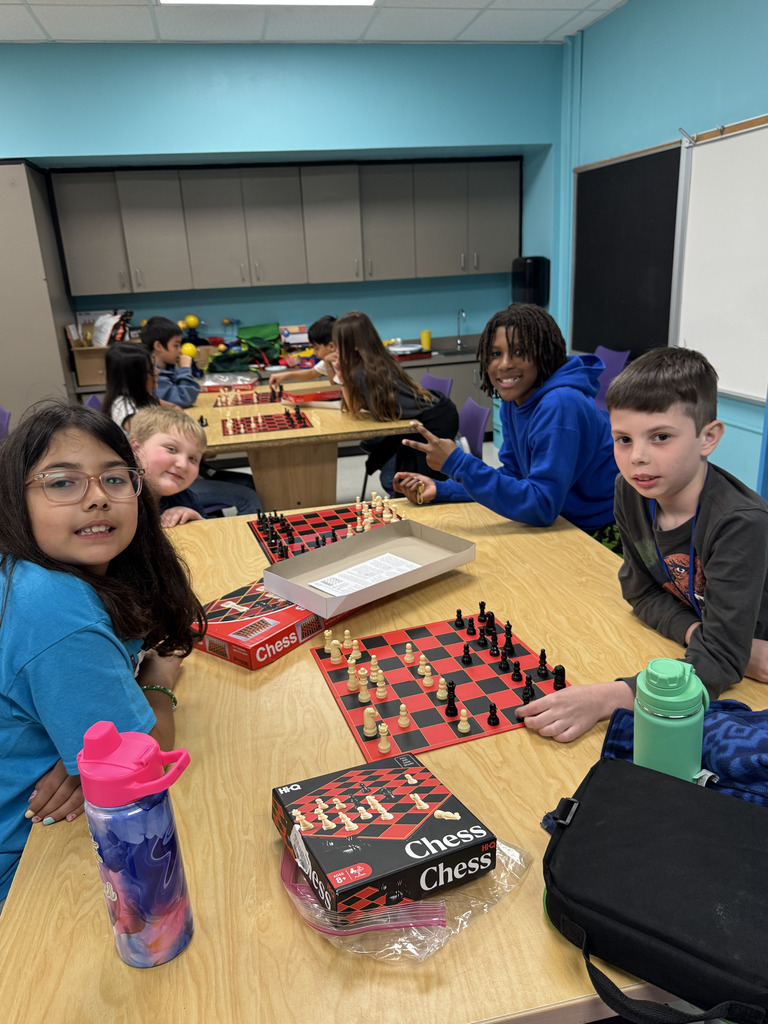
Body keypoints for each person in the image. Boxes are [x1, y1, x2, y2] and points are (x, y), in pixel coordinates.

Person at [0, 402, 205, 909]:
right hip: (30, 869)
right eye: (62, 483)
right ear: (15, 499)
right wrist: (157, 680)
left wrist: (87, 745)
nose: (98, 499)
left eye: (115, 479)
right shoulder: (54, 609)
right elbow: (143, 767)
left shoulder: (45, 570)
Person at [516, 347, 768, 743]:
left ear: (708, 438)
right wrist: (701, 635)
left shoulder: (740, 522)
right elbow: (639, 590)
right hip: (732, 655)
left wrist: (610, 697)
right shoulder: (630, 492)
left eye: (661, 437)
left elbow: (719, 662)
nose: (638, 458)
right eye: (623, 439)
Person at [393, 304, 619, 548]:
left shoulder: (561, 403)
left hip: (599, 534)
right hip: (561, 523)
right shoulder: (517, 398)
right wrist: (442, 489)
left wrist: (458, 463)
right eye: (494, 354)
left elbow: (542, 506)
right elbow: (515, 476)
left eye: (519, 352)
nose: (503, 365)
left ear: (544, 354)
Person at [330, 311, 459, 494]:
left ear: (355, 345)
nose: (335, 350)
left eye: (338, 345)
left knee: (408, 482)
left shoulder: (362, 371)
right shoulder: (375, 361)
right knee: (392, 472)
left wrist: (342, 377)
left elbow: (353, 409)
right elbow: (357, 409)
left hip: (434, 420)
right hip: (438, 411)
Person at [129, 407, 208, 528]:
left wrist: (197, 520)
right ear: (136, 449)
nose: (183, 465)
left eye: (192, 459)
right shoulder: (116, 500)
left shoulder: (185, 498)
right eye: (171, 449)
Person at [140, 316, 200, 408]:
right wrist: (185, 369)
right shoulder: (153, 376)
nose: (179, 351)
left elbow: (191, 393)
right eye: (176, 346)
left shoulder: (169, 368)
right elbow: (185, 399)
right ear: (158, 346)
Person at [102, 342, 160, 432]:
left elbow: (174, 407)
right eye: (151, 370)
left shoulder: (142, 396)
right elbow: (149, 435)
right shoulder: (124, 408)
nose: (157, 372)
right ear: (134, 377)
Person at [268, 316, 338, 389]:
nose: (314, 352)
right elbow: (312, 373)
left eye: (316, 348)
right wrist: (285, 375)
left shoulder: (346, 362)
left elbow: (337, 387)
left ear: (331, 346)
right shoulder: (329, 359)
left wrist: (327, 363)